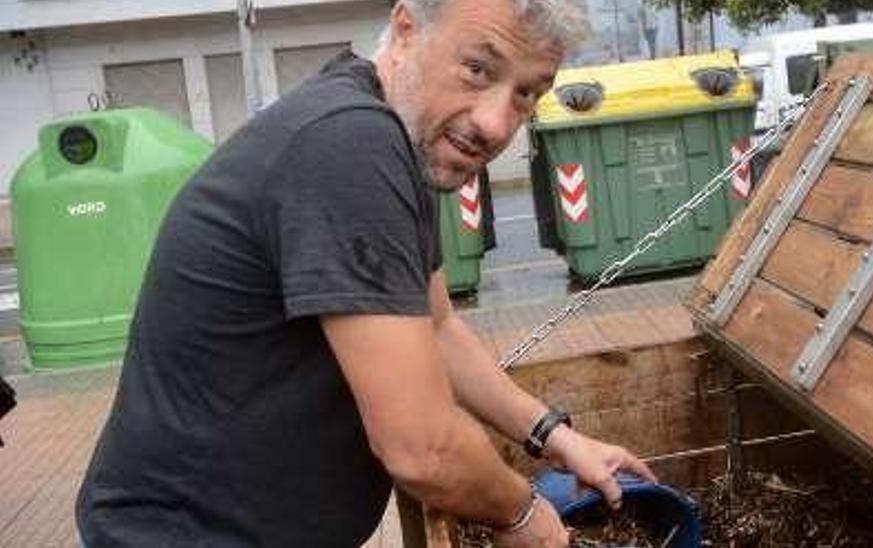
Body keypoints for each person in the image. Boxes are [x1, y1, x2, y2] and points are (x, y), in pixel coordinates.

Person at [75, 0, 655, 546]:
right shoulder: (350, 145)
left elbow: (438, 328)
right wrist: (522, 512)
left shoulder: (392, 138)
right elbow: (423, 449)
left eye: (527, 94)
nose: (496, 124)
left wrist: (556, 436)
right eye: (478, 69)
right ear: (407, 30)